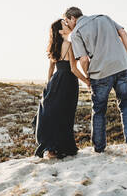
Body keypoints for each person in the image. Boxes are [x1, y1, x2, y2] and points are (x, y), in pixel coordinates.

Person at [64, 7, 127, 154]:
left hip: (100, 73)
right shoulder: (104, 17)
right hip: (122, 66)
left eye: (67, 22)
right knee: (126, 107)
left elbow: (84, 59)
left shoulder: (76, 33)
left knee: (98, 111)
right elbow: (123, 33)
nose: (68, 25)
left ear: (72, 18)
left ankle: (99, 148)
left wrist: (88, 77)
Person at [34, 19, 90, 159]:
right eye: (65, 24)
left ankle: (52, 149)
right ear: (60, 30)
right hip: (68, 81)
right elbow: (73, 68)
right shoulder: (69, 43)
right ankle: (64, 148)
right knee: (66, 114)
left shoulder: (54, 46)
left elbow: (51, 69)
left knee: (54, 114)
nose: (68, 25)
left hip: (55, 81)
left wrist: (49, 85)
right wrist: (87, 81)